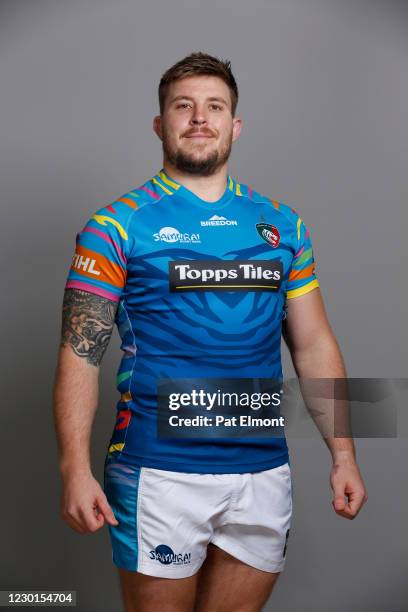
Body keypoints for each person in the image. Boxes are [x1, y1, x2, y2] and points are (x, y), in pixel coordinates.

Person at [53, 51, 368, 612]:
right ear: (160, 124)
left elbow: (314, 345)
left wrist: (344, 453)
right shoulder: (115, 225)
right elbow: (80, 353)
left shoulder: (283, 225)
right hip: (158, 473)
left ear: (234, 125)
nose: (200, 118)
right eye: (184, 106)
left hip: (263, 470)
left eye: (214, 107)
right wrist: (73, 468)